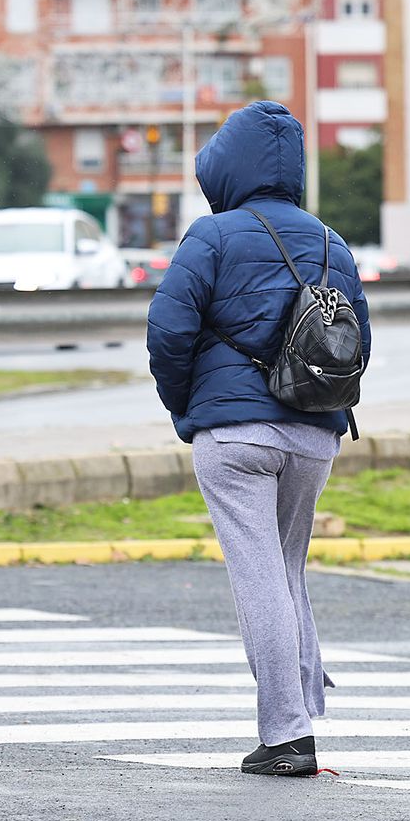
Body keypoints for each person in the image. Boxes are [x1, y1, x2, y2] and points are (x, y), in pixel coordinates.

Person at [147, 100, 371, 777]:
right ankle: (301, 706)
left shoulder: (211, 237)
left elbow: (167, 333)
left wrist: (191, 406)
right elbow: (358, 340)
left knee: (259, 577)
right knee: (288, 569)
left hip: (235, 435)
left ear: (229, 166)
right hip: (314, 434)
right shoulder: (334, 242)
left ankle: (286, 735)